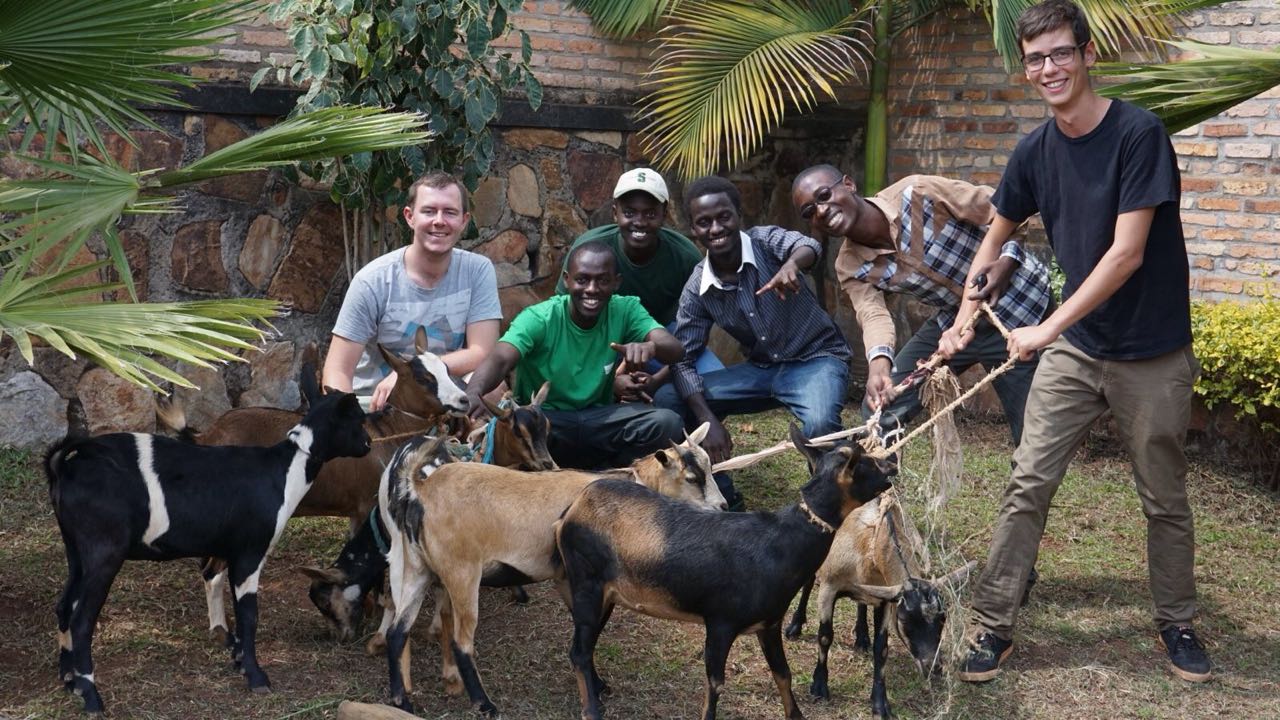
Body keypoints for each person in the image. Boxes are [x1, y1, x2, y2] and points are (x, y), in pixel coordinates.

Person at [941, 0, 1210, 684]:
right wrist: (966, 313)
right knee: (1028, 479)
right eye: (1036, 58)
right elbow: (997, 231)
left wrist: (1045, 328)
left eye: (1061, 52)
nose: (1049, 68)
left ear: (1089, 55)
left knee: (1163, 495)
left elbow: (1125, 256)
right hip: (1079, 347)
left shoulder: (1138, 135)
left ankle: (1177, 621)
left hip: (1150, 350)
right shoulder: (1035, 149)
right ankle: (994, 625)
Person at [791, 165, 1053, 447]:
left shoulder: (918, 193)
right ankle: (882, 488)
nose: (821, 211)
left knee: (1032, 437)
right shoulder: (850, 265)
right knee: (879, 412)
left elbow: (1006, 212)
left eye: (824, 195)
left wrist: (1007, 261)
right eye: (809, 212)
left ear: (849, 184)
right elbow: (873, 315)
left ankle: (1026, 487)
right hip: (954, 327)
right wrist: (879, 367)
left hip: (1020, 312)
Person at [654, 176, 852, 508]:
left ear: (738, 215)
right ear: (694, 229)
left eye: (723, 217)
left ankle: (834, 505)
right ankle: (721, 497)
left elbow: (810, 246)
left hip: (816, 359)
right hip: (761, 371)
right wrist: (707, 420)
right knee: (670, 398)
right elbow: (683, 358)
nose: (716, 228)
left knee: (820, 426)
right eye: (704, 222)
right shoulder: (697, 286)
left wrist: (791, 264)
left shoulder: (764, 241)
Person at [464, 241, 686, 469]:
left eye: (602, 280)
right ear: (566, 280)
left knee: (667, 422)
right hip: (547, 422)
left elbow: (675, 349)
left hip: (599, 418)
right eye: (582, 279)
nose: (591, 288)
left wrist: (652, 347)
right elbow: (501, 357)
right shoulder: (540, 317)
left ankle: (615, 477)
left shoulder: (625, 309)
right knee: (518, 429)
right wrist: (474, 391)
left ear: (616, 282)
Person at [323, 171, 500, 411]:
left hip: (441, 393)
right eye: (429, 211)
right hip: (378, 403)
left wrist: (411, 372)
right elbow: (337, 370)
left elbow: (483, 352)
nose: (439, 221)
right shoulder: (372, 281)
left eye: (449, 212)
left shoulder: (477, 270)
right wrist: (346, 419)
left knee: (494, 389)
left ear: (464, 221)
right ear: (410, 217)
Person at [556, 168, 723, 396]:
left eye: (650, 214)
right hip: (603, 336)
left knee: (714, 379)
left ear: (664, 213)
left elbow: (697, 331)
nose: (639, 222)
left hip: (664, 340)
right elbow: (563, 316)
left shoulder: (685, 256)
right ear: (615, 213)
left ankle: (681, 417)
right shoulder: (590, 251)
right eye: (630, 212)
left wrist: (659, 376)